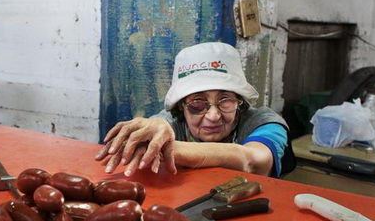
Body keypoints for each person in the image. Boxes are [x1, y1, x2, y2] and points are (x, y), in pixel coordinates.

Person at [95, 42, 295, 178]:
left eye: (225, 101)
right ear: (182, 106)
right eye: (198, 104)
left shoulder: (265, 123)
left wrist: (164, 147)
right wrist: (148, 134)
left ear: (240, 101)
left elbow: (253, 161)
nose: (213, 116)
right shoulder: (169, 123)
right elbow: (155, 131)